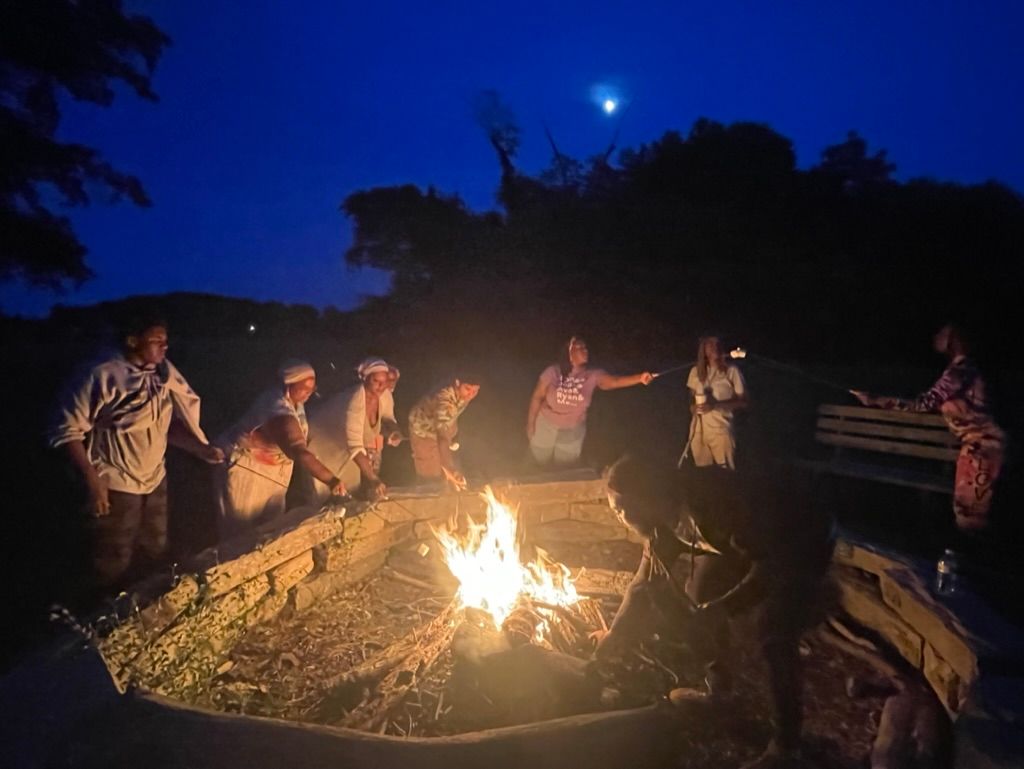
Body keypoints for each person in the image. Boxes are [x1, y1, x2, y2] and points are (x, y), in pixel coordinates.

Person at [597, 456, 834, 769]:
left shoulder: (715, 505)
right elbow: (645, 582)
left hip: (799, 538)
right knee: (701, 591)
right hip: (744, 545)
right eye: (617, 510)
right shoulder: (660, 522)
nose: (624, 517)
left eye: (626, 507)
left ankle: (787, 747)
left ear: (651, 494)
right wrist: (616, 634)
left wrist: (725, 608)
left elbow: (769, 568)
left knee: (774, 630)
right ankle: (719, 692)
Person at [49, 317, 224, 590]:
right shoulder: (103, 374)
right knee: (113, 556)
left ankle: (148, 608)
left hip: (155, 479)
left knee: (155, 549)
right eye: (156, 341)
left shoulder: (163, 374)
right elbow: (67, 431)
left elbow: (165, 427)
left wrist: (200, 449)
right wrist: (93, 481)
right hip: (116, 481)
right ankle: (104, 617)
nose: (165, 347)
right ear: (132, 341)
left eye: (166, 341)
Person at [851, 322, 1007, 538]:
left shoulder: (959, 372)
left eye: (942, 333)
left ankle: (970, 564)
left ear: (954, 341)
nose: (936, 338)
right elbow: (946, 406)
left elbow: (923, 403)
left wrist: (876, 400)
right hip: (977, 448)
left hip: (984, 449)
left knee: (972, 519)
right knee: (968, 514)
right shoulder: (963, 370)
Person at [215, 360, 345, 540]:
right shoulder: (278, 410)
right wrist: (331, 480)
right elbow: (299, 451)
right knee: (241, 529)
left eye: (312, 389)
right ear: (288, 385)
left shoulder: (296, 402)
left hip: (275, 469)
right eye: (304, 389)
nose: (309, 393)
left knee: (272, 526)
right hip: (249, 469)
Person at [526, 336, 653, 467]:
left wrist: (639, 378)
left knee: (564, 469)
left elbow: (614, 381)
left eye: (586, 348)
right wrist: (530, 424)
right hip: (546, 426)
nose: (585, 350)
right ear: (569, 353)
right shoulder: (552, 372)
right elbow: (537, 397)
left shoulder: (593, 375)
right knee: (536, 463)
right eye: (580, 347)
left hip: (572, 430)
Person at [306, 358, 402, 503]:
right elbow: (355, 447)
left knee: (349, 489)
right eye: (376, 381)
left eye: (385, 381)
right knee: (324, 491)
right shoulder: (354, 401)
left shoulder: (385, 395)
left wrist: (394, 432)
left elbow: (388, 418)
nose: (382, 386)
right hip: (325, 445)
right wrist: (374, 479)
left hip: (347, 449)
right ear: (365, 378)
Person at [683, 335, 749, 470]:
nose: (714, 347)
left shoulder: (731, 371)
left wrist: (714, 405)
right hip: (698, 431)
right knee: (703, 473)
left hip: (721, 429)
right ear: (704, 349)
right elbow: (691, 399)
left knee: (726, 471)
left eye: (717, 343)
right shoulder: (695, 371)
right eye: (710, 344)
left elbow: (744, 402)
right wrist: (693, 407)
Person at [408, 371, 481, 489]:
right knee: (431, 479)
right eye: (468, 389)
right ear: (457, 383)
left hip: (443, 426)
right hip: (423, 432)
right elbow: (442, 437)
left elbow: (452, 417)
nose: (470, 395)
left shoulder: (463, 393)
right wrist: (449, 468)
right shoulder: (444, 401)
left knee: (451, 475)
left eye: (475, 391)